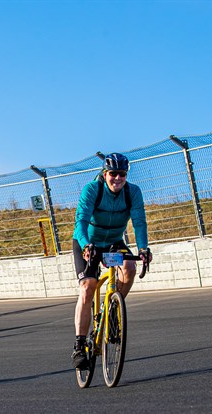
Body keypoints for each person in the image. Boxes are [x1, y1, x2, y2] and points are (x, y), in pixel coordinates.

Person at [71, 152, 152, 368]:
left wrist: (143, 248)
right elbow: (81, 221)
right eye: (113, 174)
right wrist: (87, 244)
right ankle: (79, 345)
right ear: (105, 174)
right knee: (88, 287)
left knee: (130, 267)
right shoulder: (92, 190)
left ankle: (113, 311)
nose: (117, 179)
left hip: (114, 241)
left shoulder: (132, 192)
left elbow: (139, 222)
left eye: (122, 175)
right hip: (88, 242)